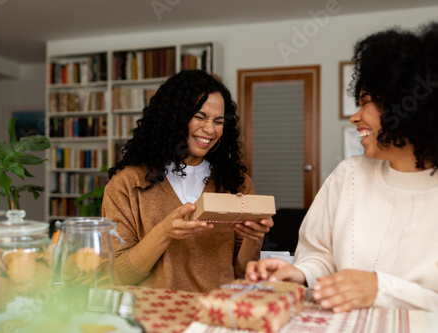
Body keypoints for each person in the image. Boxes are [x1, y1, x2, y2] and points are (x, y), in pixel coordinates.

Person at [246, 23, 438, 313]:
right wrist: (300, 273)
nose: (355, 117)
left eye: (366, 102)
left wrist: (380, 290)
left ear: (410, 106)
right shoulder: (349, 175)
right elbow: (321, 254)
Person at [102, 70, 273, 293]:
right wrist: (164, 232)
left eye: (218, 121)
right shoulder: (126, 183)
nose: (210, 129)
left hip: (217, 313)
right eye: (200, 117)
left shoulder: (237, 184)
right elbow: (120, 275)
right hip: (155, 314)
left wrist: (254, 237)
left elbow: (241, 273)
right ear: (173, 117)